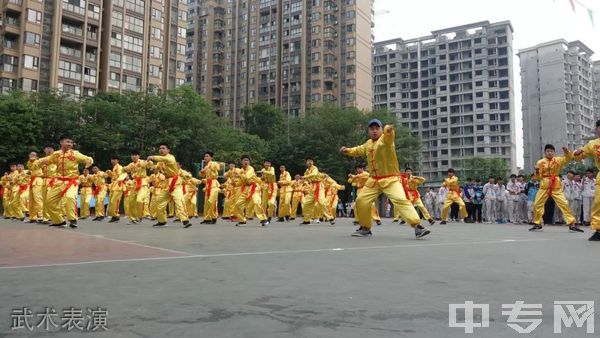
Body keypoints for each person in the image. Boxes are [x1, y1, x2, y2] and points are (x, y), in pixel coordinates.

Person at [340, 119, 430, 238]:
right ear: (369, 131)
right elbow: (358, 150)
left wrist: (389, 130)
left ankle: (418, 226)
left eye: (377, 128)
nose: (374, 131)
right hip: (373, 180)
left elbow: (389, 136)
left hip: (390, 179)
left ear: (381, 130)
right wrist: (347, 151)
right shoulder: (368, 144)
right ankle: (365, 228)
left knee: (400, 199)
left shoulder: (386, 140)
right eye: (372, 129)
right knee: (361, 201)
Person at [36, 136, 93, 228]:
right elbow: (48, 160)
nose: (70, 144)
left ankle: (73, 219)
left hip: (71, 181)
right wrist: (38, 162)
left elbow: (87, 158)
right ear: (61, 142)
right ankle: (59, 221)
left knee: (70, 197)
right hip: (58, 182)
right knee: (49, 201)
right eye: (67, 142)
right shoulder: (56, 154)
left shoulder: (75, 153)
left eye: (71, 142)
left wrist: (88, 161)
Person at [529, 144, 580, 232]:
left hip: (556, 185)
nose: (549, 153)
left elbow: (567, 159)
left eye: (551, 151)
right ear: (545, 152)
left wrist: (566, 152)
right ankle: (537, 224)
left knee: (564, 203)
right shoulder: (540, 162)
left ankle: (572, 224)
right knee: (537, 204)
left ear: (554, 152)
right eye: (548, 151)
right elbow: (538, 178)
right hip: (544, 185)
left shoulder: (558, 160)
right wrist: (537, 171)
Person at [146, 144, 191, 228]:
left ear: (168, 150)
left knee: (179, 200)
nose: (161, 150)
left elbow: (164, 159)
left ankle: (185, 220)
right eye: (160, 148)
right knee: (159, 201)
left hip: (175, 183)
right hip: (166, 184)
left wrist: (153, 157)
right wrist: (150, 165)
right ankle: (162, 221)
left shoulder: (171, 158)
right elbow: (155, 166)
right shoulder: (160, 162)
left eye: (163, 148)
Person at [232, 155, 269, 226]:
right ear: (241, 162)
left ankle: (263, 219)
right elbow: (240, 183)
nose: (246, 162)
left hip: (254, 188)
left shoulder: (251, 169)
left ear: (249, 162)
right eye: (244, 160)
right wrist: (234, 183)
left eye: (247, 160)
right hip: (245, 189)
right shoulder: (242, 170)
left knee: (256, 202)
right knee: (237, 205)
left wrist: (239, 174)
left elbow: (246, 178)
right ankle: (242, 221)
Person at [300, 157, 334, 225]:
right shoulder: (307, 171)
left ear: (313, 162)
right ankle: (306, 220)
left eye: (311, 161)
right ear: (306, 163)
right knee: (306, 203)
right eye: (308, 161)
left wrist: (305, 177)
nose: (309, 162)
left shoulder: (315, 168)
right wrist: (303, 181)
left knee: (321, 202)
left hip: (319, 186)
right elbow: (306, 179)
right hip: (312, 187)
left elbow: (314, 174)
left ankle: (330, 218)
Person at [123, 150, 151, 224]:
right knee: (131, 202)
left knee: (139, 200)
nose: (134, 156)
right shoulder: (131, 164)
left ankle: (140, 216)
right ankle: (133, 219)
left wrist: (148, 161)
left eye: (135, 155)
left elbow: (148, 164)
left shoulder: (142, 162)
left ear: (139, 156)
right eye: (132, 155)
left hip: (142, 183)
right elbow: (125, 169)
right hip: (134, 183)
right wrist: (123, 169)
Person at [199, 151, 224, 224]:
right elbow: (202, 175)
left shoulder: (213, 163)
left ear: (211, 157)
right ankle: (207, 218)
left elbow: (219, 168)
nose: (205, 157)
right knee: (206, 202)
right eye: (205, 156)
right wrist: (202, 172)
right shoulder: (206, 166)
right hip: (208, 185)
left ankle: (214, 217)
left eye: (207, 156)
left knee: (212, 201)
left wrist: (220, 165)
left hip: (213, 184)